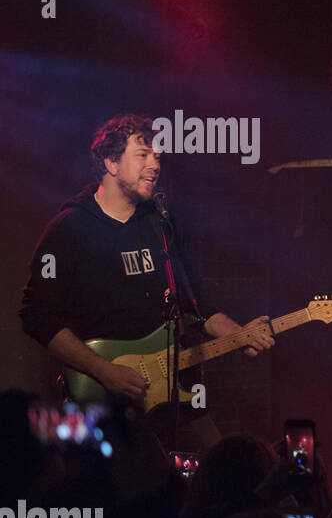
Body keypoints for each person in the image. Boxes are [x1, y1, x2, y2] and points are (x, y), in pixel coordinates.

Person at [19, 114, 274, 450]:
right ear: (111, 162)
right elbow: (37, 316)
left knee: (220, 468)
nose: (155, 164)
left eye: (157, 156)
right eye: (143, 154)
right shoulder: (69, 229)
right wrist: (104, 372)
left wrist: (237, 334)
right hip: (105, 401)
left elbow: (196, 306)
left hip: (173, 392)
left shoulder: (161, 224)